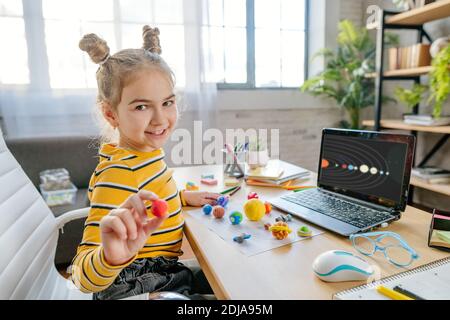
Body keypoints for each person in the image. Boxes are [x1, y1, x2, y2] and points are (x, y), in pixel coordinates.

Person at [71, 25, 220, 300]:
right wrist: (108, 257)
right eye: (142, 106)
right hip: (135, 286)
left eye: (167, 102)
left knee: (228, 277)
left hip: (163, 272)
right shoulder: (119, 173)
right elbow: (82, 276)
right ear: (110, 114)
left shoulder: (142, 155)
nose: (160, 119)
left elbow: (146, 195)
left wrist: (181, 196)